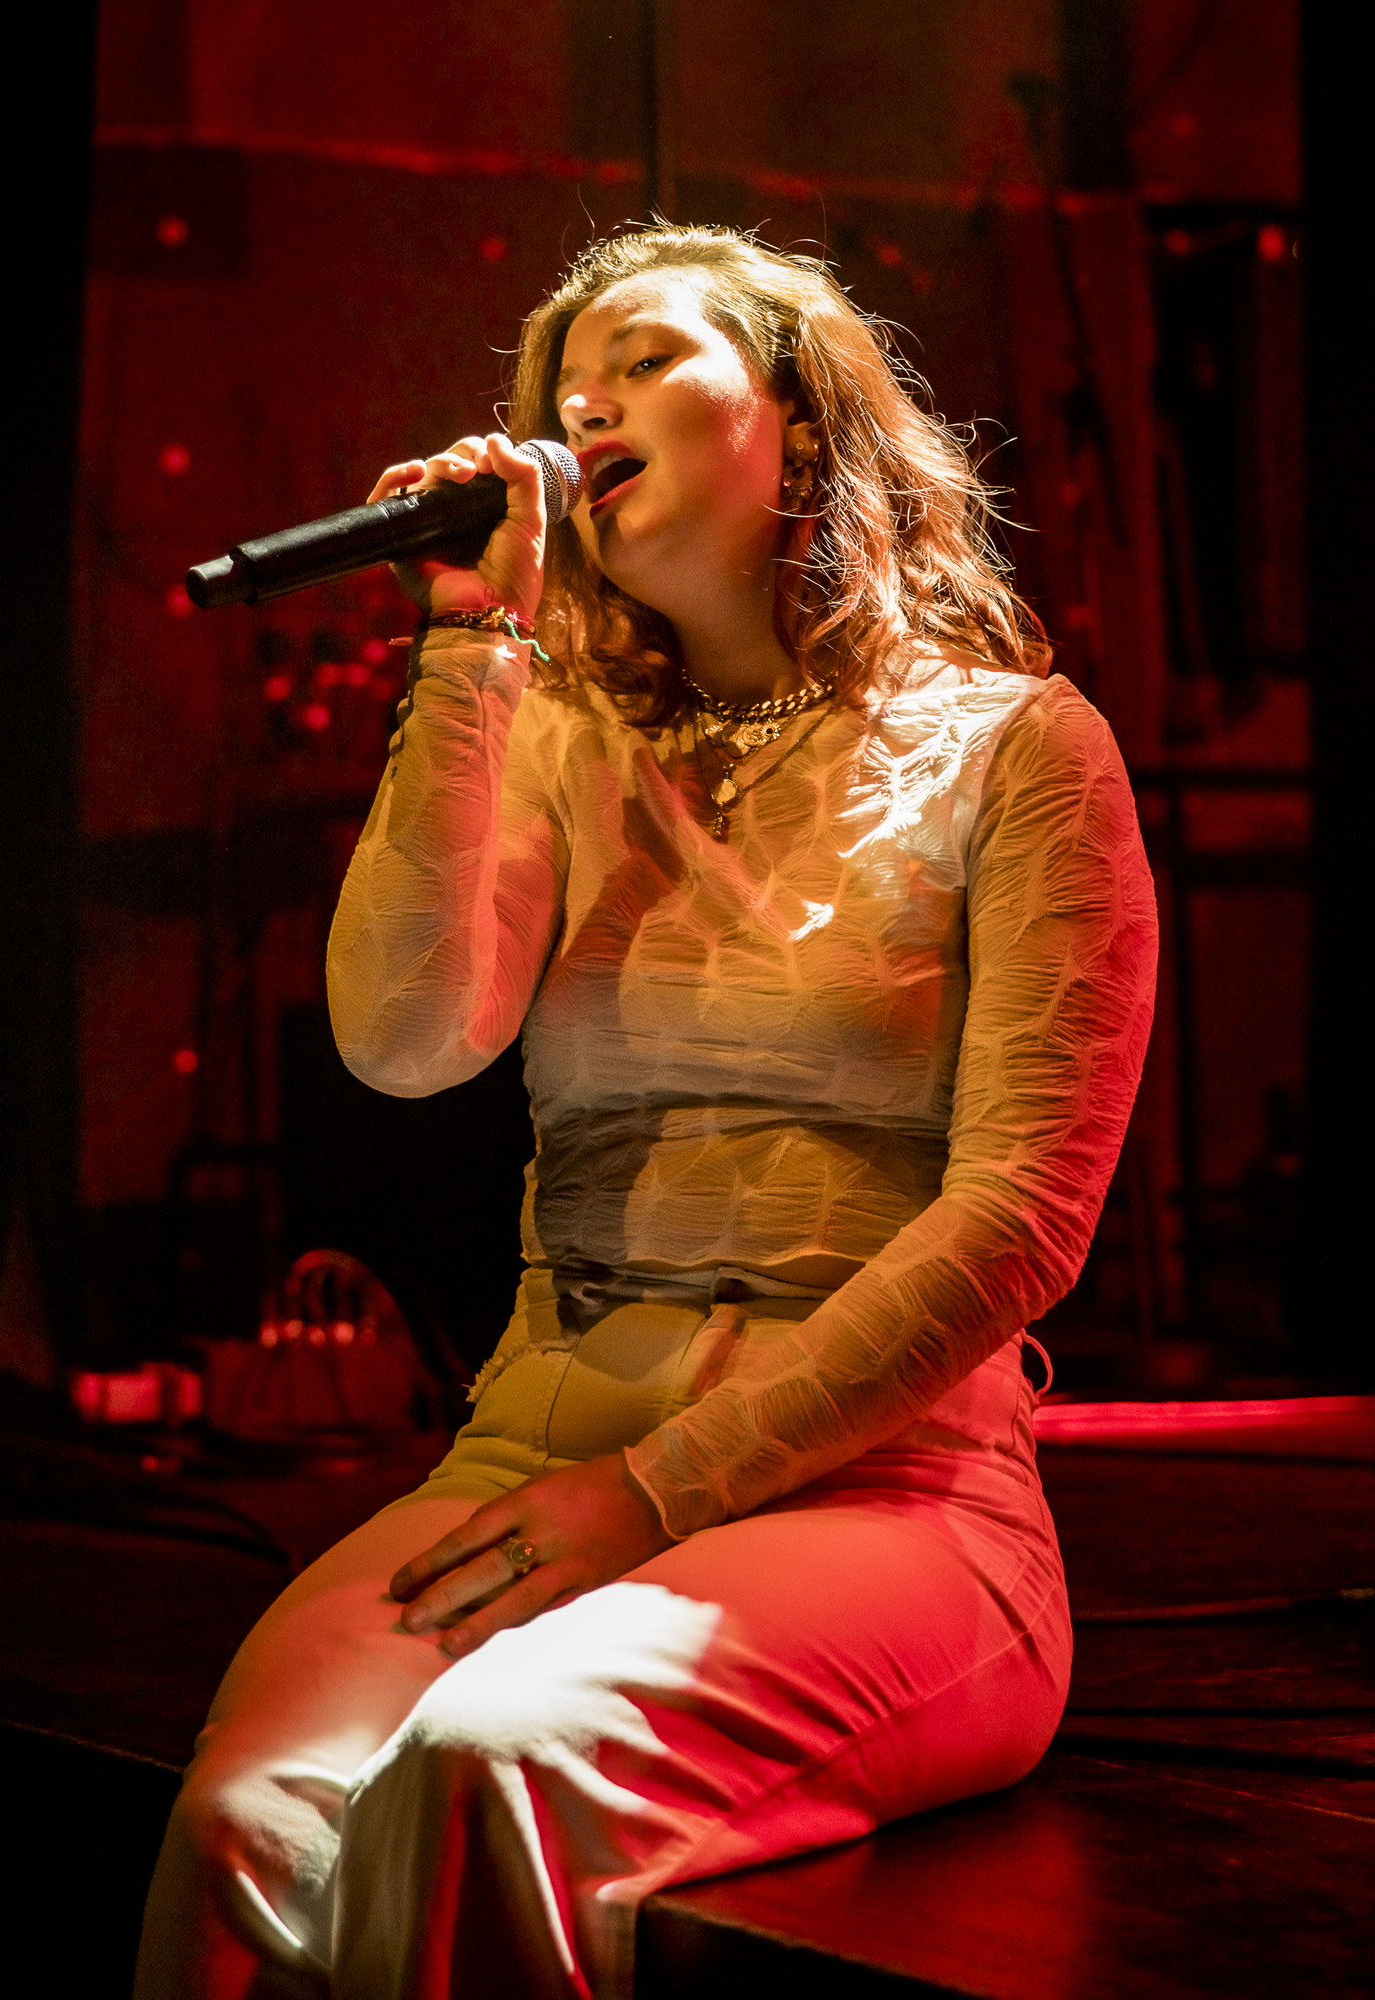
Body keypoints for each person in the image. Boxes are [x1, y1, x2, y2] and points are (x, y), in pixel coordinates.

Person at [135, 224, 1157, 2000]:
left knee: (495, 1767)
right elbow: (403, 1043)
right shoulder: (557, 735)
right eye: (561, 389)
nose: (581, 408)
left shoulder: (1021, 751)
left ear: (800, 421)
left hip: (889, 1498)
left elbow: (1022, 1222)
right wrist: (471, 646)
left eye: (646, 360)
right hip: (544, 1451)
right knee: (251, 1821)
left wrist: (661, 1492)